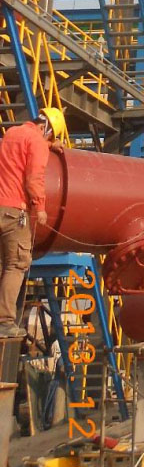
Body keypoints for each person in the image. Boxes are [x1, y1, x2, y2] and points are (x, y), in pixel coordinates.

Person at [0, 108, 65, 337]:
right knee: (16, 265)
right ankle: (4, 322)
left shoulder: (12, 133)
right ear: (46, 129)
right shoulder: (37, 142)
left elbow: (21, 152)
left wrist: (48, 145)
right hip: (15, 212)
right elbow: (34, 177)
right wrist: (40, 207)